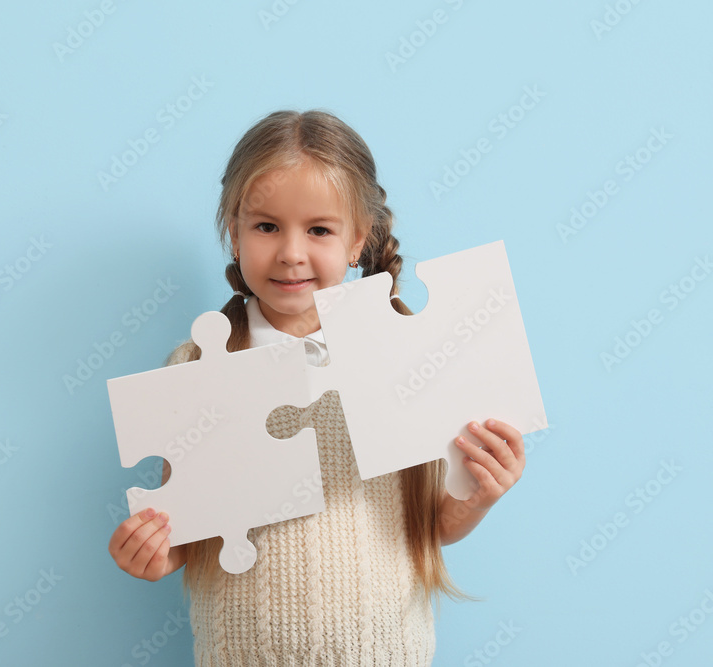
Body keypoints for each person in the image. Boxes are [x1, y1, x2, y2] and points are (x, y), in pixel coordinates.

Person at [108, 109, 526, 665]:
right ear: (234, 232)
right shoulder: (199, 365)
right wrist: (156, 553)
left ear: (358, 240)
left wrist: (478, 497)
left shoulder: (407, 355)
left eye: (319, 230)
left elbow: (434, 527)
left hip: (385, 654)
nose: (291, 252)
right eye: (266, 226)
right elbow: (187, 528)